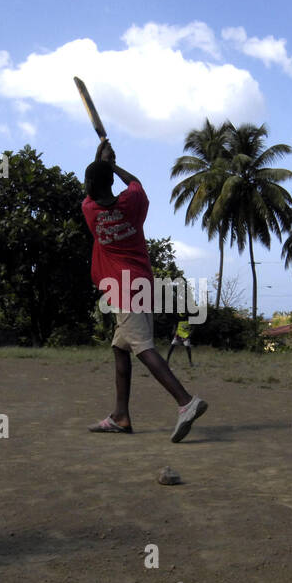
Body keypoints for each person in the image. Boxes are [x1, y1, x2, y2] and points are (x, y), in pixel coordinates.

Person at [82, 139, 207, 441]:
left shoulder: (90, 211)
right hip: (140, 283)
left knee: (143, 348)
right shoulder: (132, 203)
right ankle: (120, 417)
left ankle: (186, 402)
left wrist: (100, 161)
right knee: (120, 349)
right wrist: (112, 166)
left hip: (122, 289)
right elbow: (135, 183)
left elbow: (91, 187)